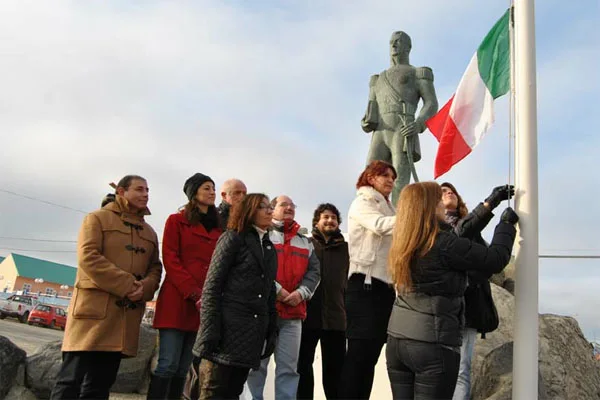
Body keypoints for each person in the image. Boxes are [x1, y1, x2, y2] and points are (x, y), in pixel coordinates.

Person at [386, 182, 518, 399]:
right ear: (428, 207)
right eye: (438, 200)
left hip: (397, 342)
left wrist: (490, 203)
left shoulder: (403, 243)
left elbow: (461, 231)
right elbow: (495, 260)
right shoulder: (442, 243)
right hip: (433, 345)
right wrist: (505, 226)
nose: (442, 205)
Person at [50, 175, 162, 400]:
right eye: (139, 189)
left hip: (123, 319)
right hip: (92, 314)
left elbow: (155, 268)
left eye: (147, 190)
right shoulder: (97, 219)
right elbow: (88, 258)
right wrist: (129, 284)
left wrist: (146, 287)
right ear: (121, 192)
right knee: (70, 381)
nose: (145, 194)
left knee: (100, 386)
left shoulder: (149, 232)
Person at [192, 194, 278, 399]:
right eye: (262, 207)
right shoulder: (233, 238)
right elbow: (212, 286)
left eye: (269, 207)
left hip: (251, 333)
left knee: (234, 391)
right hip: (226, 329)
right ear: (249, 211)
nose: (269, 211)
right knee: (214, 389)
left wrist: (270, 329)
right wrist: (210, 328)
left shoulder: (269, 247)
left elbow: (269, 292)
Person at [147, 173, 222, 399]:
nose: (212, 192)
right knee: (167, 363)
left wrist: (207, 296)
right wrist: (192, 291)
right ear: (193, 193)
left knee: (183, 368)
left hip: (203, 305)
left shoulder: (219, 228)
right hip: (177, 300)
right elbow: (171, 258)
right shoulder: (176, 221)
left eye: (213, 188)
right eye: (207, 188)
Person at [440, 182, 514, 400]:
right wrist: (490, 203)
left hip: (469, 311)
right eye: (442, 192)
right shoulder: (439, 230)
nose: (449, 192)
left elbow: (489, 262)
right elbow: (460, 232)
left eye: (452, 190)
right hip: (444, 310)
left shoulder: (474, 232)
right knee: (440, 372)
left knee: (462, 370)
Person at [246, 195, 321, 400]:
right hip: (263, 312)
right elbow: (256, 268)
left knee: (289, 369)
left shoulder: (305, 242)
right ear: (272, 208)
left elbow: (314, 273)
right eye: (283, 205)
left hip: (293, 314)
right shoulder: (262, 235)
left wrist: (300, 294)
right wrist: (277, 291)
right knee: (256, 366)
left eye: (292, 205)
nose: (289, 208)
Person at [338, 160, 397, 399]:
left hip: (385, 288)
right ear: (371, 178)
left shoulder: (390, 207)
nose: (391, 181)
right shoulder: (362, 202)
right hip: (365, 285)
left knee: (370, 356)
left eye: (393, 177)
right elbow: (379, 225)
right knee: (359, 356)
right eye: (386, 176)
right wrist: (415, 218)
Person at [361, 31, 439, 205]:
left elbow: (431, 103)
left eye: (398, 42)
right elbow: (371, 109)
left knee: (399, 181)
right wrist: (366, 121)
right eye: (391, 42)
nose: (394, 45)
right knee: (370, 177)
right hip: (381, 130)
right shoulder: (377, 79)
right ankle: (370, 214)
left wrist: (418, 124)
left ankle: (399, 220)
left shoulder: (418, 73)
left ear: (408, 47)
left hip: (402, 127)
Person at [297, 203, 349, 399]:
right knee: (303, 366)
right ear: (316, 222)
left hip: (336, 318)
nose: (330, 220)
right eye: (325, 217)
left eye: (334, 217)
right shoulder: (306, 244)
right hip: (308, 315)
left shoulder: (346, 249)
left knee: (335, 370)